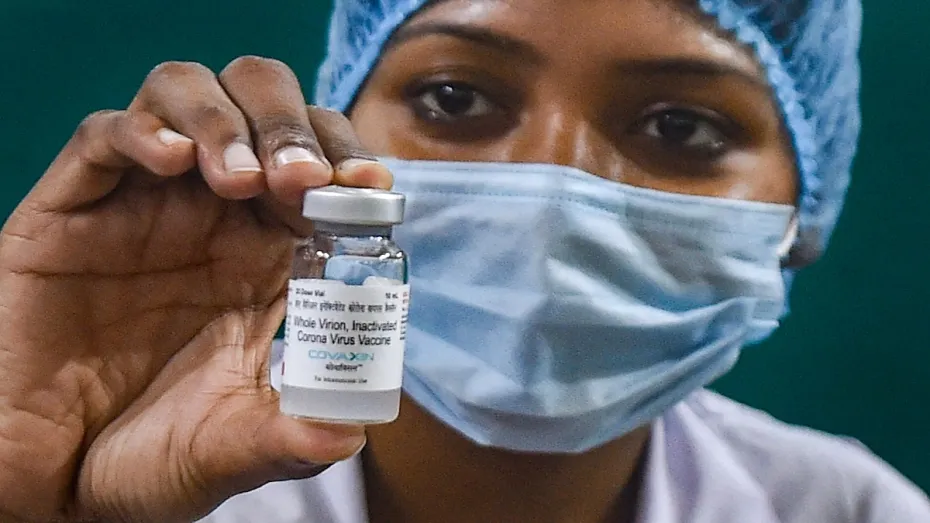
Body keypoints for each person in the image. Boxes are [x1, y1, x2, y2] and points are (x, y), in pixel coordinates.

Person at [0, 0, 927, 521]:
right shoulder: (129, 477)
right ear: (326, 145)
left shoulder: (849, 510)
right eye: (453, 97)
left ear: (803, 215)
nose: (552, 183)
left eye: (680, 126)